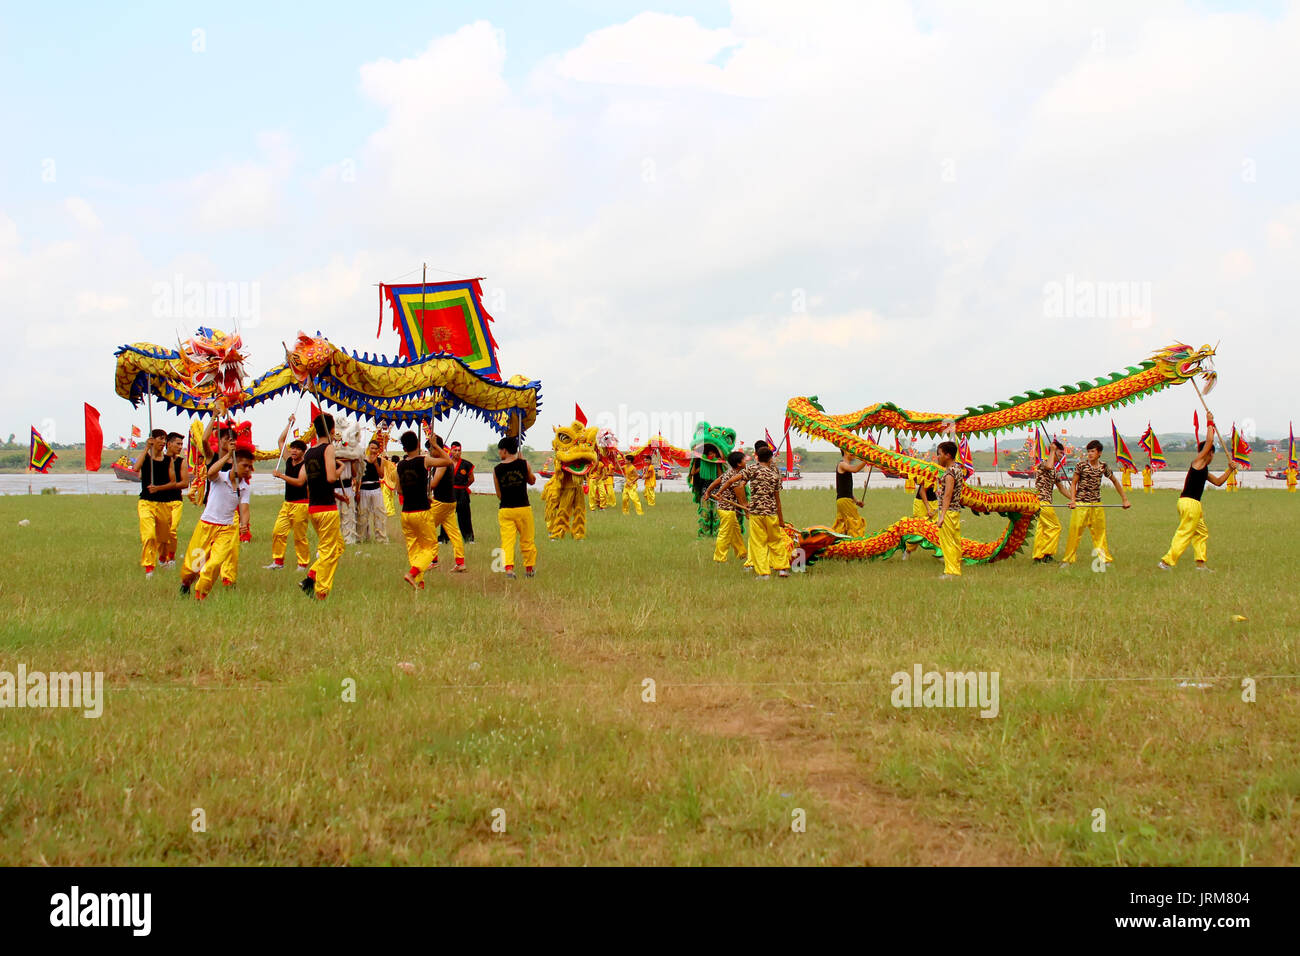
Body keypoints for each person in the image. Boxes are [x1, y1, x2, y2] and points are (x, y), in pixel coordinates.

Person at [1159, 421, 1233, 572]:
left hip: (1194, 505)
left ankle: (1201, 564)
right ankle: (1166, 562)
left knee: (1201, 533)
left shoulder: (1203, 470)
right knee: (1185, 533)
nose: (1212, 456)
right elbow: (1210, 440)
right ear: (1209, 453)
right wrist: (1210, 422)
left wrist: (1230, 470)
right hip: (1189, 503)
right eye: (1211, 453)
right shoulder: (1197, 462)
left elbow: (1218, 482)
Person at [188, 447, 254, 601]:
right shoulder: (219, 477)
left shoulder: (244, 487)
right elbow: (210, 472)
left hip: (226, 528)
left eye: (250, 467)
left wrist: (244, 524)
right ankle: (186, 583)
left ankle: (200, 593)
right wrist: (228, 456)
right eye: (245, 465)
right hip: (206, 524)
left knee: (216, 562)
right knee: (194, 564)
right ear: (234, 463)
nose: (248, 470)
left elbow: (244, 510)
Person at [717, 444, 789, 580]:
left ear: (757, 457)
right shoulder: (775, 475)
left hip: (756, 512)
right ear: (770, 459)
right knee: (776, 540)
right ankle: (782, 569)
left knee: (758, 542)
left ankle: (763, 573)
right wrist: (781, 520)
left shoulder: (752, 469)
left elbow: (735, 481)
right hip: (771, 512)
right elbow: (777, 500)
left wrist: (720, 492)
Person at [1061, 439, 1131, 569]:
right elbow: (1074, 483)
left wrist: (1124, 499)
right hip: (1081, 504)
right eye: (1088, 451)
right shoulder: (1081, 466)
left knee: (1100, 533)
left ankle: (1105, 560)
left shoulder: (1103, 467)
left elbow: (1115, 481)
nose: (1090, 454)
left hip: (1096, 504)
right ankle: (1068, 560)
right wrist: (1073, 500)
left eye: (1092, 451)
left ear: (1099, 453)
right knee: (1075, 533)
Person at [300, 413, 344, 600]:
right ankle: (321, 591)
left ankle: (311, 577)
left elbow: (307, 481)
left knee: (338, 546)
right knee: (328, 552)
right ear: (332, 430)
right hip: (326, 508)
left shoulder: (309, 452)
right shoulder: (328, 448)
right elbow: (331, 477)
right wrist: (341, 468)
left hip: (314, 507)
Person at [397, 430, 448, 589]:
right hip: (421, 512)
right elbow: (447, 461)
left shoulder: (400, 465)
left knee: (414, 548)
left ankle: (419, 582)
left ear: (404, 449)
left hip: (406, 513)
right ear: (419, 445)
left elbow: (399, 490)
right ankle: (413, 573)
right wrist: (435, 446)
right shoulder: (423, 460)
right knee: (431, 547)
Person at [494, 435, 537, 579]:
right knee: (527, 539)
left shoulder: (497, 469)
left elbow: (499, 494)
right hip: (523, 508)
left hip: (505, 509)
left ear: (505, 451)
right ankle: (529, 569)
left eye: (500, 450)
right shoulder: (524, 464)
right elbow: (532, 481)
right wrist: (524, 464)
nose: (499, 453)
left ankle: (508, 569)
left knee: (507, 540)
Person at [267, 437, 310, 571]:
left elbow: (299, 482)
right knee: (278, 531)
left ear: (303, 452)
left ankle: (302, 564)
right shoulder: (288, 460)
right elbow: (280, 441)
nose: (294, 451)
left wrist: (281, 476)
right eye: (292, 448)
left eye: (297, 449)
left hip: (301, 504)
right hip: (287, 503)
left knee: (299, 536)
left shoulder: (305, 465)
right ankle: (278, 562)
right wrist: (289, 422)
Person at [702, 450, 749, 565]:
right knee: (725, 534)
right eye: (744, 460)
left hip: (726, 509)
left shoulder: (730, 472)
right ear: (739, 464)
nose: (746, 461)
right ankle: (719, 559)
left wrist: (708, 491)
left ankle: (742, 554)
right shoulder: (735, 476)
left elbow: (717, 481)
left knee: (735, 531)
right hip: (727, 509)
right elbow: (740, 495)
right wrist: (746, 510)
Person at [425, 434, 463, 571]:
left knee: (427, 529)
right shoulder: (442, 461)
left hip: (441, 502)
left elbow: (434, 484)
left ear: (435, 448)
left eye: (431, 450)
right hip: (450, 501)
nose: (430, 453)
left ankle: (433, 560)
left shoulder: (442, 463)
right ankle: (460, 562)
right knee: (454, 533)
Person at [136, 428, 171, 578]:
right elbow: (135, 468)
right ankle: (149, 567)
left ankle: (163, 558)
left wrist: (159, 488)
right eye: (160, 439)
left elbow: (173, 482)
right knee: (149, 535)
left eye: (164, 439)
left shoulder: (168, 460)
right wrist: (146, 449)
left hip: (163, 503)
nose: (163, 442)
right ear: (152, 440)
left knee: (163, 538)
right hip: (146, 502)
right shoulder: (146, 459)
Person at [1031, 440, 1070, 563]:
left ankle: (1038, 556)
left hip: (1045, 502)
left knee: (1042, 530)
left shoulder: (1054, 471)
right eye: (1060, 452)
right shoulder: (1043, 464)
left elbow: (1062, 488)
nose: (1061, 455)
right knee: (1055, 527)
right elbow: (1048, 466)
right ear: (1053, 451)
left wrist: (1074, 498)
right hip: (1042, 501)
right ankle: (1047, 554)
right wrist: (1052, 451)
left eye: (1062, 453)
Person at [932, 441, 965, 580]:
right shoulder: (958, 469)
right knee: (955, 541)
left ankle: (951, 572)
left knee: (948, 543)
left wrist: (942, 516)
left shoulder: (950, 473)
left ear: (948, 455)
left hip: (949, 511)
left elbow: (948, 495)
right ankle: (955, 569)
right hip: (954, 511)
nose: (938, 457)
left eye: (939, 454)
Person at [157, 432, 189, 567]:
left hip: (176, 501)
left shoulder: (181, 461)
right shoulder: (159, 460)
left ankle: (172, 558)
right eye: (178, 444)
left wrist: (166, 486)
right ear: (168, 444)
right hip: (160, 502)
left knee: (172, 530)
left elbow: (185, 483)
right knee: (161, 533)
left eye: (181, 444)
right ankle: (162, 557)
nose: (180, 447)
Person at [832, 448, 869, 537]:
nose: (853, 453)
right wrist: (866, 461)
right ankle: (857, 546)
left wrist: (857, 501)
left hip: (843, 500)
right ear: (844, 451)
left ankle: (838, 546)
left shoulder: (846, 466)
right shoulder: (842, 464)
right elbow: (855, 469)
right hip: (844, 501)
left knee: (842, 526)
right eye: (850, 451)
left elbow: (846, 490)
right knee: (856, 523)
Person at [356, 440, 387, 543]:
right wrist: (357, 492)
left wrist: (376, 464)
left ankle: (381, 538)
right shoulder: (362, 460)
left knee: (379, 514)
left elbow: (381, 475)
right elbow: (358, 477)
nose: (373, 450)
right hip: (364, 488)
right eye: (372, 448)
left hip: (376, 488)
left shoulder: (380, 460)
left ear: (378, 449)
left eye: (375, 448)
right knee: (362, 514)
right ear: (368, 448)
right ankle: (362, 537)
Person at [445, 441, 475, 543]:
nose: (457, 452)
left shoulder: (466, 464)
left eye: (459, 450)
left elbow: (471, 479)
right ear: (451, 451)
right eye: (455, 450)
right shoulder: (445, 463)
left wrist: (463, 487)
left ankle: (469, 538)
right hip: (449, 492)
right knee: (446, 516)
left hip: (462, 493)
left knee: (465, 516)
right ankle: (444, 538)